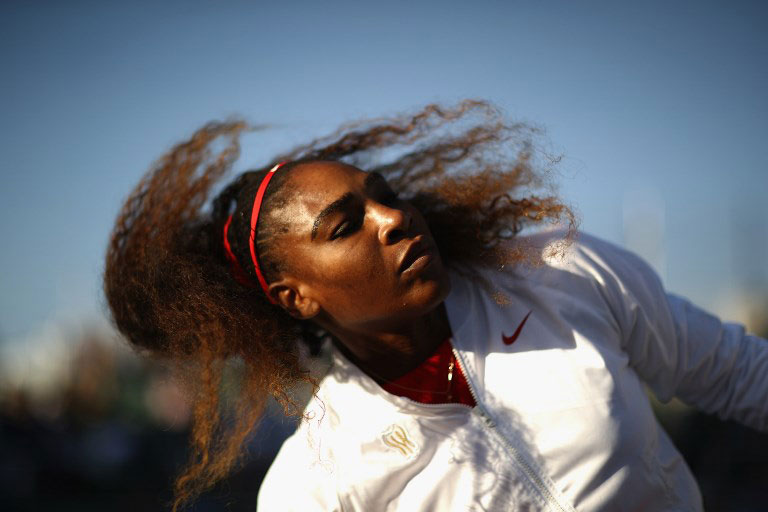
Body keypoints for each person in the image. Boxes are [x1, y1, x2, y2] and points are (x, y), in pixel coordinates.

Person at [103, 100, 768, 512]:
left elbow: (739, 373)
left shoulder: (557, 273)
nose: (393, 218)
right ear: (296, 297)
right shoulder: (315, 483)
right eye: (344, 226)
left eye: (384, 193)